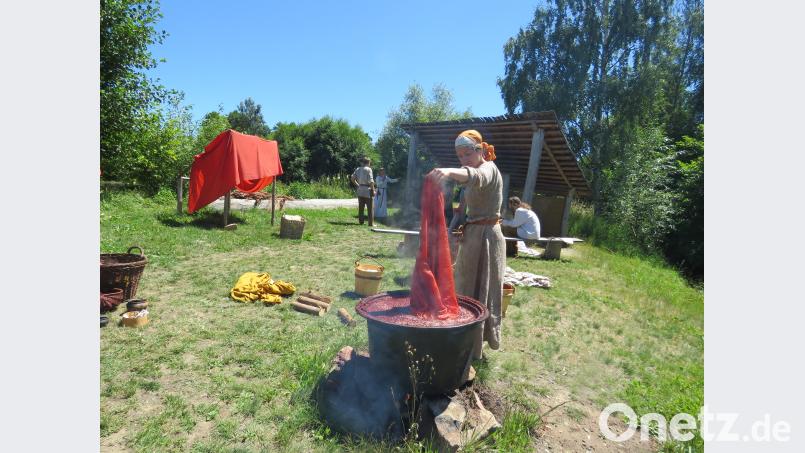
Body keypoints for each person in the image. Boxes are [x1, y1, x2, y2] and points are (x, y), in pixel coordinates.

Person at [428, 130, 506, 360]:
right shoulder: (468, 175)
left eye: (467, 153)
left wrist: (450, 171)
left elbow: (476, 177)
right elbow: (463, 210)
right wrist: (454, 231)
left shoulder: (489, 169)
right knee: (464, 287)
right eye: (460, 156)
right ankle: (462, 339)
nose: (464, 159)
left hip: (488, 238)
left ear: (480, 150)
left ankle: (476, 348)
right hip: (472, 236)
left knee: (484, 290)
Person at [351, 157, 375, 226]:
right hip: (367, 190)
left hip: (360, 189)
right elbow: (371, 181)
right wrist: (373, 190)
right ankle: (371, 223)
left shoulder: (358, 169)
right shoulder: (369, 169)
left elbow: (352, 178)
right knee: (370, 208)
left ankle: (361, 222)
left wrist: (358, 185)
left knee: (361, 207)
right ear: (368, 162)